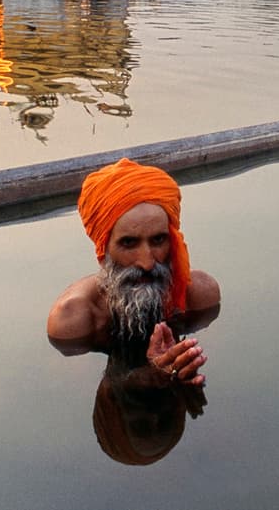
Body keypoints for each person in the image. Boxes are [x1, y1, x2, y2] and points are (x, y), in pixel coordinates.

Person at [47, 158, 221, 385]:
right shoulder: (74, 319)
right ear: (103, 248)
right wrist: (152, 375)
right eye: (129, 243)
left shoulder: (199, 295)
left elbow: (221, 365)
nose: (147, 263)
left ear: (173, 240)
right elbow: (78, 393)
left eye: (158, 240)